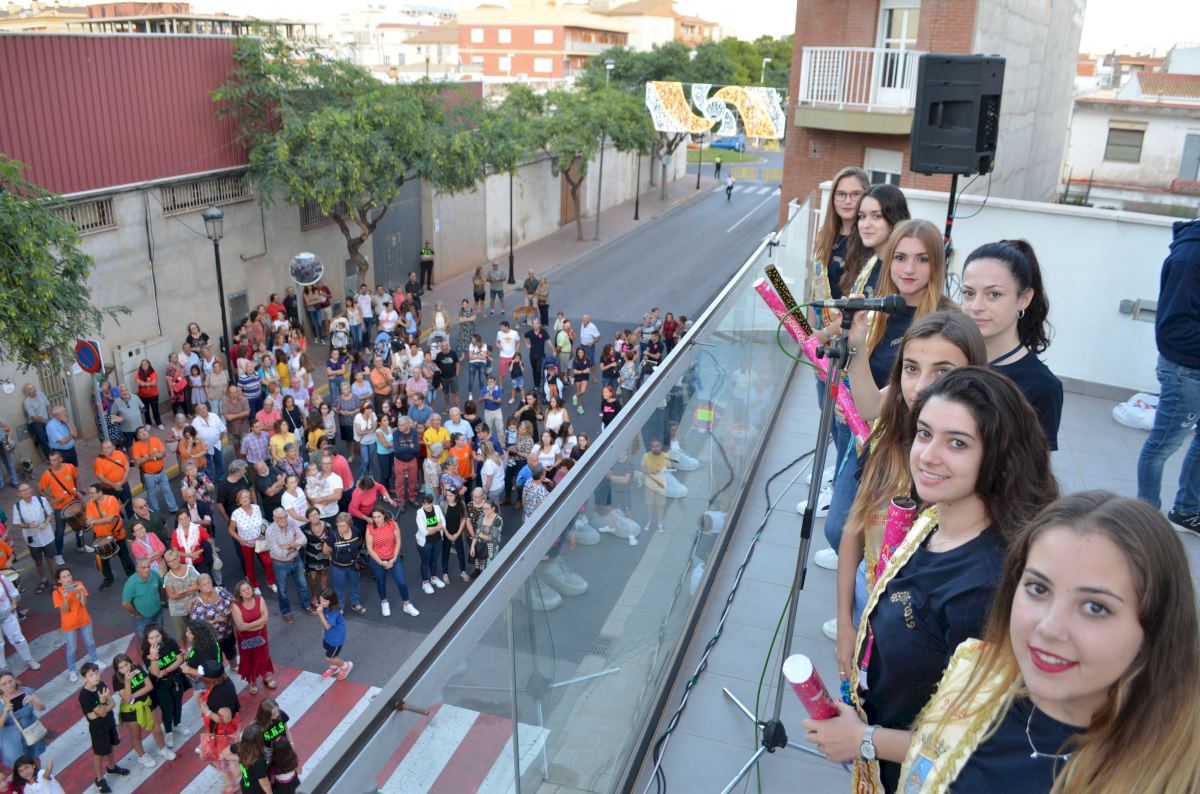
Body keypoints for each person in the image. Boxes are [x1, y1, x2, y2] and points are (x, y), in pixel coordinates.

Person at [806, 367, 1058, 792]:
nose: (928, 455)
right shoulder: (935, 519)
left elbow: (979, 739)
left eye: (957, 443)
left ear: (999, 455)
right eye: (924, 434)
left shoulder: (986, 588)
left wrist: (864, 739)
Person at [894, 492, 1200, 794]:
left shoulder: (1169, 775)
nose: (1049, 628)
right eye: (1038, 588)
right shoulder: (978, 676)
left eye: (1095, 607)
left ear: (1155, 627)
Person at [832, 312, 988, 647]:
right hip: (867, 599)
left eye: (943, 372)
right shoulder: (885, 438)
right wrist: (845, 622)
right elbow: (855, 527)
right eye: (911, 368)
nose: (920, 388)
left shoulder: (980, 465)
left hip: (923, 629)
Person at [961, 240, 1063, 449]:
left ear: (1024, 299)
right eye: (969, 293)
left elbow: (1034, 466)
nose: (976, 306)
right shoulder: (950, 358)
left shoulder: (1041, 387)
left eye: (994, 294)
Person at [1138, 216, 1200, 532]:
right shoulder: (1190, 258)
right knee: (1161, 446)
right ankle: (1146, 520)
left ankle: (1187, 510)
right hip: (1186, 372)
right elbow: (1173, 329)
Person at [111, 652, 175, 768]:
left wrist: (133, 695)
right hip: (130, 710)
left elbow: (149, 686)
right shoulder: (117, 679)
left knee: (157, 730)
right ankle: (142, 756)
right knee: (136, 735)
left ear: (130, 663)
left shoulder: (138, 668)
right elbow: (126, 699)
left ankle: (162, 749)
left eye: (126, 665)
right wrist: (127, 682)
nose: (125, 669)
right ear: (117, 670)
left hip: (145, 704)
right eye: (121, 667)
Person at [79, 661, 127, 793]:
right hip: (98, 729)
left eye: (96, 673)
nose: (95, 676)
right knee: (99, 754)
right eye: (91, 675)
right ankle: (99, 779)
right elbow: (103, 711)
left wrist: (101, 710)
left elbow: (112, 703)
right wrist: (102, 704)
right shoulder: (84, 696)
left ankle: (111, 767)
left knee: (111, 746)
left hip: (109, 722)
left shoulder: (101, 684)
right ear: (84, 678)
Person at [195, 658, 241, 791]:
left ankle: (231, 784)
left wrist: (208, 712)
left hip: (223, 734)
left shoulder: (220, 696)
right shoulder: (222, 682)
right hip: (218, 731)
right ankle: (235, 772)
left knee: (220, 760)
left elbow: (226, 719)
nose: (200, 678)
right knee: (217, 758)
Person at [142, 624, 189, 749]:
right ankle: (168, 731)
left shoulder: (170, 642)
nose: (155, 640)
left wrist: (166, 671)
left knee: (178, 703)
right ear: (147, 639)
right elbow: (154, 672)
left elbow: (179, 659)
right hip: (160, 684)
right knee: (167, 708)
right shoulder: (146, 653)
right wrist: (153, 657)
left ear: (162, 635)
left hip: (176, 678)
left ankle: (177, 723)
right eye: (151, 638)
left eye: (157, 636)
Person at [365, 507, 419, 617]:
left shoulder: (393, 524)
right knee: (381, 582)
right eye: (374, 517)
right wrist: (381, 562)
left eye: (379, 516)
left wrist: (394, 558)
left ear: (384, 515)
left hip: (393, 558)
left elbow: (398, 541)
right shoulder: (370, 528)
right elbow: (369, 548)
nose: (376, 519)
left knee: (401, 582)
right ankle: (384, 602)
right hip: (378, 561)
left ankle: (407, 604)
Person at [266, 507, 314, 624]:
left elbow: (304, 539)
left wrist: (289, 546)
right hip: (280, 564)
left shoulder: (291, 522)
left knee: (303, 585)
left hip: (296, 560)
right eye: (280, 518)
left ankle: (307, 606)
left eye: (285, 517)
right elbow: (279, 553)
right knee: (282, 590)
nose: (284, 520)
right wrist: (296, 546)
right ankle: (286, 612)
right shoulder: (270, 531)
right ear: (274, 519)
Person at [231, 580, 277, 694]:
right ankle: (252, 681)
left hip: (261, 635)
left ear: (252, 589)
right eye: (243, 590)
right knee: (249, 659)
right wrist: (258, 624)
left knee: (263, 656)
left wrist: (248, 626)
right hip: (246, 638)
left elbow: (265, 618)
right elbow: (240, 627)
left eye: (248, 588)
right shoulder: (235, 605)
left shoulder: (259, 599)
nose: (247, 591)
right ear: (239, 593)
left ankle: (266, 676)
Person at [85, 483, 134, 589]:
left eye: (93, 493)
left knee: (125, 557)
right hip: (100, 537)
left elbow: (110, 519)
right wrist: (98, 520)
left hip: (116, 535)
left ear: (100, 492)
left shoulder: (111, 500)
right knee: (103, 561)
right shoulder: (90, 503)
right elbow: (88, 520)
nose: (90, 495)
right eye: (90, 493)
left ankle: (132, 576)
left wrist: (94, 521)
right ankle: (108, 578)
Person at [229, 488, 276, 594]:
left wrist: (265, 530)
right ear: (239, 501)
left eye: (247, 496)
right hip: (247, 543)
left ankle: (271, 582)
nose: (245, 499)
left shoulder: (256, 508)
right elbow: (231, 530)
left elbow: (261, 522)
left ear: (250, 498)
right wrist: (240, 540)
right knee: (249, 565)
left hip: (260, 540)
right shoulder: (236, 514)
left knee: (268, 562)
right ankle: (254, 586)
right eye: (242, 497)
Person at [11, 483, 58, 587]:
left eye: (27, 489)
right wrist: (29, 525)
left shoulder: (42, 500)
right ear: (19, 494)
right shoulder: (17, 507)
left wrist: (46, 522)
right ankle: (43, 580)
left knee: (51, 560)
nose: (26, 491)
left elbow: (50, 514)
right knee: (38, 561)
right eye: (23, 490)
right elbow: (18, 524)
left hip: (47, 536)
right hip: (33, 540)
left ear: (31, 489)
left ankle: (55, 581)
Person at [188, 577, 238, 665]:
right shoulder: (196, 604)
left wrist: (229, 613)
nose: (207, 585)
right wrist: (214, 621)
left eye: (209, 582)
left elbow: (234, 601)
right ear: (199, 587)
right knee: (217, 660)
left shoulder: (221, 591)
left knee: (231, 651)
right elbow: (197, 626)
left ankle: (234, 666)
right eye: (204, 584)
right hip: (212, 639)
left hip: (228, 632)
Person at [325, 512, 367, 615]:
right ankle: (340, 606)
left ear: (349, 524)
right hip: (338, 567)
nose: (340, 528)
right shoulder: (334, 535)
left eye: (343, 525)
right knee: (339, 587)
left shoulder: (355, 531)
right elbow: (325, 548)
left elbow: (360, 541)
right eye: (338, 525)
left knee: (355, 584)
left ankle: (355, 603)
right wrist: (330, 556)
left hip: (353, 566)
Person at [0, 572, 37, 672]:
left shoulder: (2, 579)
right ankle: (2, 668)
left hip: (7, 615)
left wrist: (13, 605)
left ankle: (29, 659)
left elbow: (13, 593)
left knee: (17, 638)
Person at [121, 557, 163, 639]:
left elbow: (161, 587)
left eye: (148, 567)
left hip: (157, 611)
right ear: (137, 569)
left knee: (159, 634)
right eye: (143, 568)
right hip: (143, 617)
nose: (147, 570)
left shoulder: (154, 575)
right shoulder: (131, 582)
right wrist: (136, 614)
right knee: (144, 638)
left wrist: (161, 601)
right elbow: (125, 603)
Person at [317, 587, 352, 681]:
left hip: (336, 639)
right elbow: (325, 624)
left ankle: (345, 666)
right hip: (328, 636)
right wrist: (323, 633)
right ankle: (334, 667)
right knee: (328, 650)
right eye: (320, 600)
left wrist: (320, 613)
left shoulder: (334, 611)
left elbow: (328, 626)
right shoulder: (325, 607)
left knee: (329, 658)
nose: (321, 603)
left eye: (324, 601)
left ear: (331, 601)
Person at [414, 495, 446, 594]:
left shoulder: (437, 508)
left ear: (432, 503)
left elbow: (443, 524)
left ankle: (433, 578)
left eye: (428, 503)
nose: (426, 506)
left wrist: (431, 528)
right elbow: (424, 532)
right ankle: (425, 582)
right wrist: (438, 527)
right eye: (424, 504)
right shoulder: (419, 513)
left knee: (434, 560)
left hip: (437, 540)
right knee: (425, 562)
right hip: (425, 543)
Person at [440, 488, 472, 585]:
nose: (448, 498)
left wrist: (458, 533)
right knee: (445, 553)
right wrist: (448, 534)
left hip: (458, 533)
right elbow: (441, 521)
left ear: (456, 495)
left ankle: (463, 571)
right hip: (446, 533)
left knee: (460, 552)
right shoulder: (443, 504)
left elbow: (463, 519)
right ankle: (445, 573)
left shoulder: (461, 504)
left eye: (451, 495)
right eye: (447, 495)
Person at [22, 383, 52, 462]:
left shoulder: (41, 394)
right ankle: (50, 459)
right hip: (35, 422)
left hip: (46, 419)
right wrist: (46, 422)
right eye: (30, 389)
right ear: (27, 392)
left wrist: (49, 417)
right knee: (43, 441)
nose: (33, 390)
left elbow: (48, 404)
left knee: (51, 437)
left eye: (33, 387)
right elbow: (34, 417)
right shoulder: (27, 402)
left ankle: (37, 439)